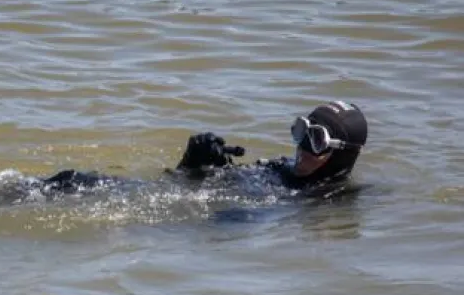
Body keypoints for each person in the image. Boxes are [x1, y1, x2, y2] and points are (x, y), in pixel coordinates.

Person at [39, 101, 368, 195]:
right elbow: (182, 186)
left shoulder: (327, 201)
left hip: (166, 218)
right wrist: (194, 162)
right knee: (71, 180)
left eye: (317, 140)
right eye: (301, 132)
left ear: (341, 153)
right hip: (160, 194)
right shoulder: (280, 168)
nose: (302, 147)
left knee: (74, 187)